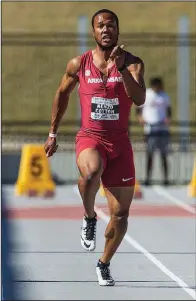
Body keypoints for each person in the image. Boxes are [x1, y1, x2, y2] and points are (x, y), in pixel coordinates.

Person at [44, 9, 146, 286]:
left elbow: (139, 99)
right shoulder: (79, 64)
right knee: (91, 172)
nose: (105, 30)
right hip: (91, 137)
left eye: (110, 25)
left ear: (117, 30)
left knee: (121, 215)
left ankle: (103, 263)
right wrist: (53, 132)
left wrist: (122, 68)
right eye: (100, 26)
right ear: (93, 32)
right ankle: (89, 217)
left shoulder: (134, 64)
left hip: (120, 144)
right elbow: (62, 94)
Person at [136, 77, 172, 186]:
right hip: (150, 129)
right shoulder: (147, 94)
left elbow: (169, 110)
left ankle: (166, 179)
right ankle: (148, 178)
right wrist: (140, 118)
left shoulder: (164, 96)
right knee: (150, 154)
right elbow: (138, 108)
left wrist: (168, 119)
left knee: (164, 155)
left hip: (162, 128)